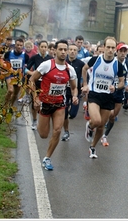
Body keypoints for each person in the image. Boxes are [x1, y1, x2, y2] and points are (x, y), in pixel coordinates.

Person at [29, 40, 78, 170]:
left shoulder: (70, 69)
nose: (63, 52)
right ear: (55, 50)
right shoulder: (46, 65)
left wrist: (74, 96)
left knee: (57, 130)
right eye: (60, 49)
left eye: (65, 50)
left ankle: (47, 158)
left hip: (60, 104)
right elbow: (32, 80)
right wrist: (35, 98)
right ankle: (38, 122)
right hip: (45, 103)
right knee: (44, 135)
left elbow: (74, 87)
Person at [81, 36, 124, 159]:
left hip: (108, 97)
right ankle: (89, 126)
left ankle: (93, 147)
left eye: (113, 47)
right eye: (108, 47)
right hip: (94, 94)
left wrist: (115, 87)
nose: (110, 50)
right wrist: (85, 84)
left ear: (115, 49)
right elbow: (84, 69)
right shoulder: (95, 60)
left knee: (101, 126)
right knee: (96, 121)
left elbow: (122, 82)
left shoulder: (118, 65)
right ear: (103, 48)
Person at [101, 43, 128, 147]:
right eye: (121, 51)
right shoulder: (111, 61)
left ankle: (105, 135)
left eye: (125, 51)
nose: (123, 53)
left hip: (119, 92)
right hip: (107, 91)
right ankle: (97, 127)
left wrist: (126, 84)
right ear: (117, 51)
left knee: (113, 116)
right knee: (108, 114)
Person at [26, 40, 53, 130]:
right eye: (42, 47)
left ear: (47, 48)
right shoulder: (34, 57)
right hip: (36, 84)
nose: (43, 49)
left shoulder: (50, 59)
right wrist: (32, 73)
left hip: (46, 85)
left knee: (46, 104)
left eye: (45, 47)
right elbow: (25, 69)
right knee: (35, 103)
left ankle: (44, 122)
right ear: (38, 48)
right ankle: (34, 120)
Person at [61, 44, 85, 141]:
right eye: (70, 49)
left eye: (74, 50)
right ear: (67, 51)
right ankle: (66, 131)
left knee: (73, 114)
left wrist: (84, 85)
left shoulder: (81, 64)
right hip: (64, 90)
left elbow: (85, 75)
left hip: (76, 90)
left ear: (77, 52)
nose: (72, 51)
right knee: (65, 113)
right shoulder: (63, 62)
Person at [3, 38, 30, 108]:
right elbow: (4, 64)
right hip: (10, 74)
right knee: (10, 90)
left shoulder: (26, 56)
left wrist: (25, 72)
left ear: (23, 46)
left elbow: (27, 67)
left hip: (19, 76)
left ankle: (10, 106)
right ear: (15, 45)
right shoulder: (8, 54)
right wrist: (8, 68)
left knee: (15, 94)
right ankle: (4, 106)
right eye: (18, 45)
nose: (19, 47)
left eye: (21, 45)